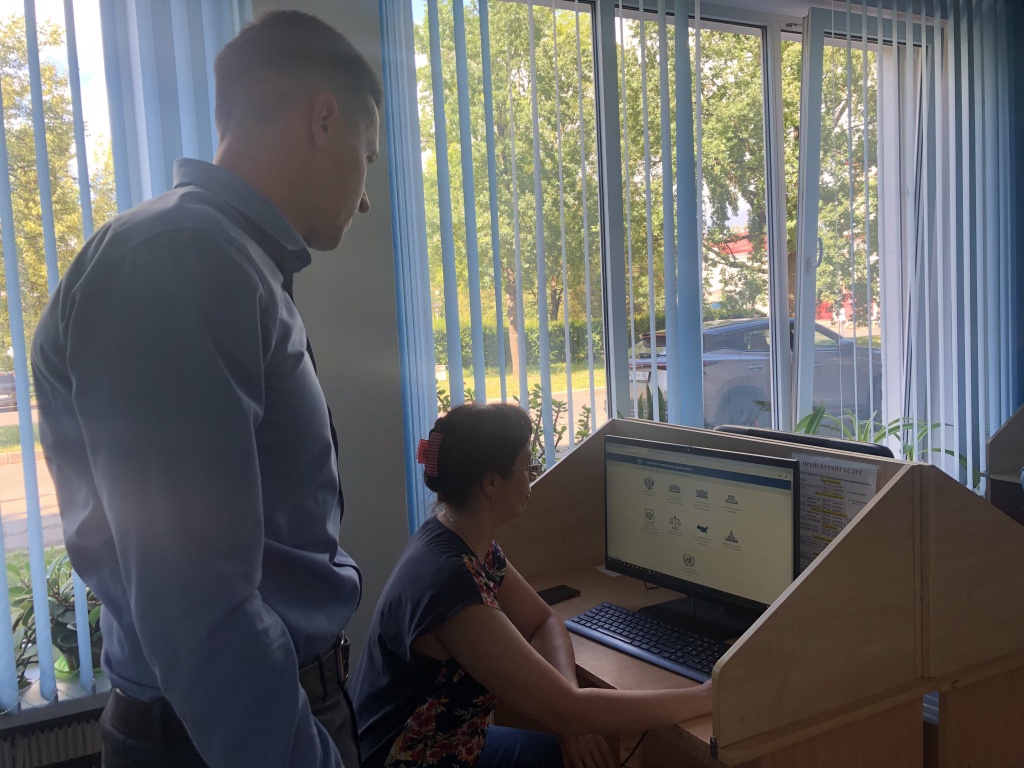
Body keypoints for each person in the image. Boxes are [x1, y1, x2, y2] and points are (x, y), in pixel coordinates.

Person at [31, 11, 380, 768]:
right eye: (368, 154)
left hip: (244, 716)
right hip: (226, 735)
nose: (364, 199)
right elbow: (197, 601)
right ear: (323, 118)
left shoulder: (224, 257)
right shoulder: (183, 258)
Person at [350, 404, 713, 768]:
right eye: (527, 466)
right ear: (491, 483)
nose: (532, 477)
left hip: (455, 743)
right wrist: (704, 697)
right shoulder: (451, 584)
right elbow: (568, 710)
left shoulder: (461, 539)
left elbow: (543, 621)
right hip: (409, 758)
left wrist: (566, 703)